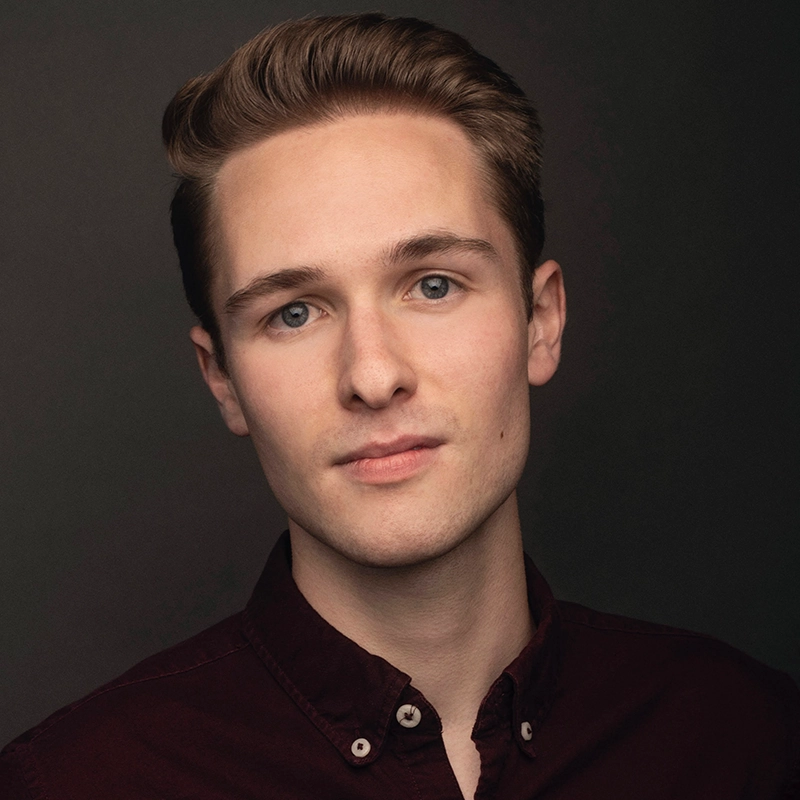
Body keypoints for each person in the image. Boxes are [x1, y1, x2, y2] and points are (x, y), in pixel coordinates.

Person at [1, 13, 797, 799]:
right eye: (294, 312)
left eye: (434, 286)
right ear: (222, 379)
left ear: (541, 322)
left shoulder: (752, 743)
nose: (373, 376)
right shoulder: (72, 784)